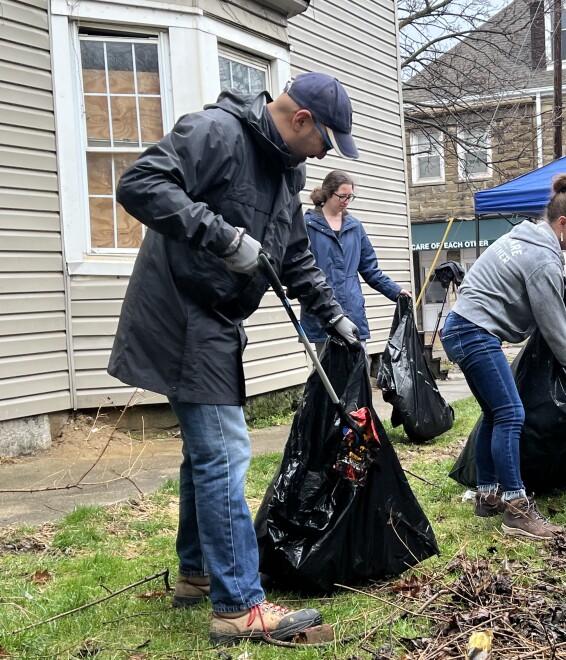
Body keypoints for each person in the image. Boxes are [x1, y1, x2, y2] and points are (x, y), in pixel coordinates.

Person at [108, 72, 363, 645]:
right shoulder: (217, 133)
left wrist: (332, 313)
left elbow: (293, 253)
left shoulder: (287, 168)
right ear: (301, 120)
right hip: (178, 310)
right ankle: (238, 606)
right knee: (225, 451)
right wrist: (220, 235)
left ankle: (198, 574)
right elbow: (140, 183)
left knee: (207, 453)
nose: (326, 154)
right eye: (326, 140)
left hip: (217, 317)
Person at [441, 173, 566, 540]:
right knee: (511, 413)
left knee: (495, 413)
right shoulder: (542, 258)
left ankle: (487, 495)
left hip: (463, 326)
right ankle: (516, 508)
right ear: (562, 223)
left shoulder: (522, 235)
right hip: (473, 331)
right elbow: (553, 321)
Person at [301, 170, 411, 354]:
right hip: (321, 311)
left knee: (358, 374)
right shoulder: (307, 225)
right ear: (328, 193)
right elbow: (299, 268)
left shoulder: (355, 227)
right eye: (342, 196)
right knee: (326, 376)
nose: (345, 201)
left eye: (350, 197)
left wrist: (396, 291)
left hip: (353, 310)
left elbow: (370, 270)